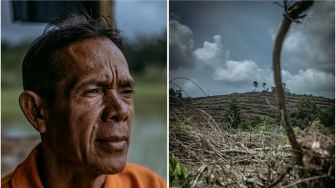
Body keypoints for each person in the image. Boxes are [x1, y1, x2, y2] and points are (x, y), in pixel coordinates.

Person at [1, 14, 166, 188]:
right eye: (92, 91)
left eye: (126, 91)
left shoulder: (148, 184)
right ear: (36, 111)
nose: (120, 111)